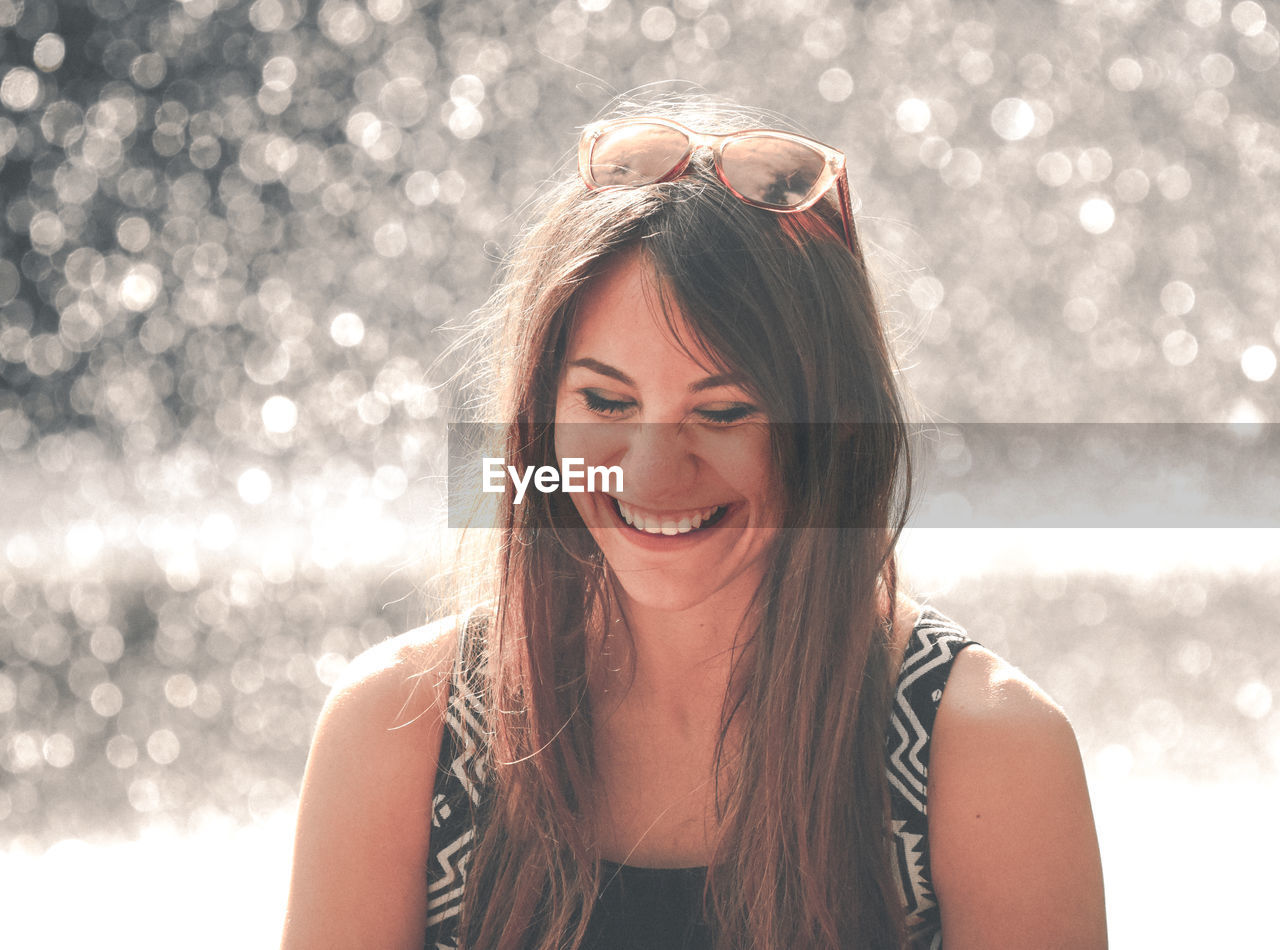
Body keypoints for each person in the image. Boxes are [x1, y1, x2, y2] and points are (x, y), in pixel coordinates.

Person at [281, 99, 1108, 950]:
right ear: (538, 415)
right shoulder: (399, 733)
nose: (648, 473)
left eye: (724, 413)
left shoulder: (988, 754)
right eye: (605, 402)